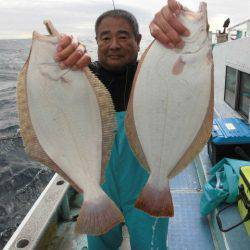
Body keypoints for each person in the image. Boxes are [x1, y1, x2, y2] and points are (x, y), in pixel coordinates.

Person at [54, 0, 189, 249]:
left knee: (150, 243)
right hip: (98, 185)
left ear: (138, 40)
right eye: (105, 38)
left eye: (123, 36)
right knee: (100, 244)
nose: (113, 45)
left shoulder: (155, 75)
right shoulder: (83, 78)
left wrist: (180, 29)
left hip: (146, 182)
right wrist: (62, 59)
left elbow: (186, 76)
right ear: (96, 42)